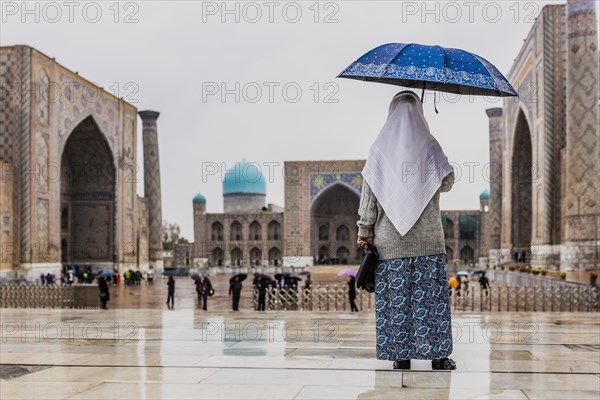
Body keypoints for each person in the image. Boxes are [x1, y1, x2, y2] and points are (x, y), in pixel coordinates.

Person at [356, 91, 456, 371]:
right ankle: (439, 358)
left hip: (390, 246)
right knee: (431, 301)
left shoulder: (378, 151)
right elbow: (448, 181)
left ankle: (401, 358)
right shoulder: (430, 146)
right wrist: (429, 149)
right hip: (429, 243)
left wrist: (365, 229)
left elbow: (369, 200)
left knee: (397, 303)